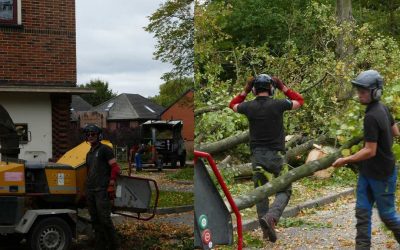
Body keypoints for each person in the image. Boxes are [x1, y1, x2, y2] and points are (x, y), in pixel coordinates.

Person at [229, 74, 304, 242]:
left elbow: (232, 104)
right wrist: (284, 87)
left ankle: (265, 230)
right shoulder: (278, 104)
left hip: (257, 156)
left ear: (254, 90)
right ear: (272, 89)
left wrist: (245, 90)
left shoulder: (248, 107)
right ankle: (271, 218)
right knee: (284, 189)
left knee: (261, 192)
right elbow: (300, 101)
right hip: (277, 155)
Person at [332, 70, 400, 249]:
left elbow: (370, 151)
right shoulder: (382, 108)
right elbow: (396, 132)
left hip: (382, 174)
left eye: (363, 92)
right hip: (367, 172)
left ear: (375, 92)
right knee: (362, 213)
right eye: (359, 91)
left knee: (388, 215)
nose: (359, 95)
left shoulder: (372, 115)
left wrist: (345, 160)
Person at [84, 124, 121, 250]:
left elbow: (115, 168)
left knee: (104, 219)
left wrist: (111, 184)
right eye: (88, 134)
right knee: (95, 220)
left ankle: (114, 245)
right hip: (90, 191)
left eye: (93, 134)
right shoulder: (89, 153)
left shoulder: (105, 149)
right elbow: (89, 173)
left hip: (101, 190)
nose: (90, 136)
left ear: (98, 135)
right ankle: (100, 245)